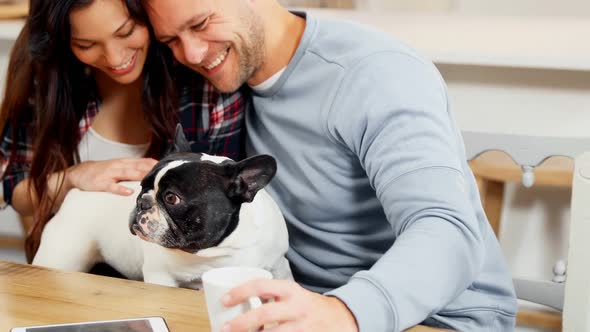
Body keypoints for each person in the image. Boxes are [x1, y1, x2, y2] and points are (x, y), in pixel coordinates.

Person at [140, 0, 518, 331]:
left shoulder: (376, 74)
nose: (190, 53)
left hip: (435, 318)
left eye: (201, 23)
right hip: (303, 307)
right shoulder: (219, 90)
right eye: (171, 40)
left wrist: (347, 312)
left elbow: (447, 229)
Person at [0, 0, 248, 263]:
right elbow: (14, 188)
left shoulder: (204, 80)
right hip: (67, 277)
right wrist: (72, 179)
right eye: (86, 44)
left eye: (126, 32)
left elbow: (226, 208)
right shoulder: (49, 75)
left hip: (178, 279)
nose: (115, 58)